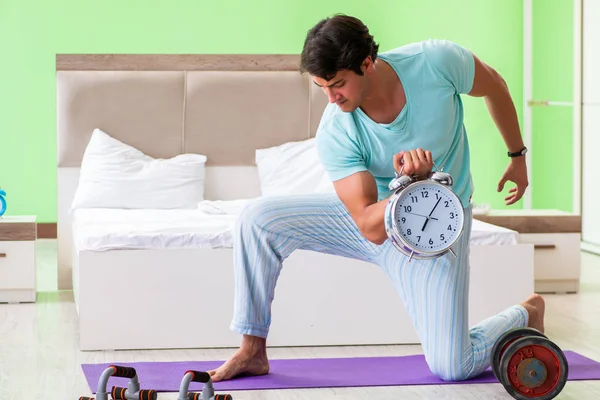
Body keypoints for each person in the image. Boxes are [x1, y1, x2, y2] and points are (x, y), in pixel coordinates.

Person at [208, 14, 545, 382]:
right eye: (322, 87)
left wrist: (516, 157)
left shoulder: (438, 63)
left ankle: (526, 313)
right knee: (257, 218)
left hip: (434, 228)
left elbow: (494, 86)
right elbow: (370, 226)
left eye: (338, 85)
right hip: (374, 219)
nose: (332, 98)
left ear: (367, 64)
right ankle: (252, 350)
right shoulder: (337, 129)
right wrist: (407, 184)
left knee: (453, 366)